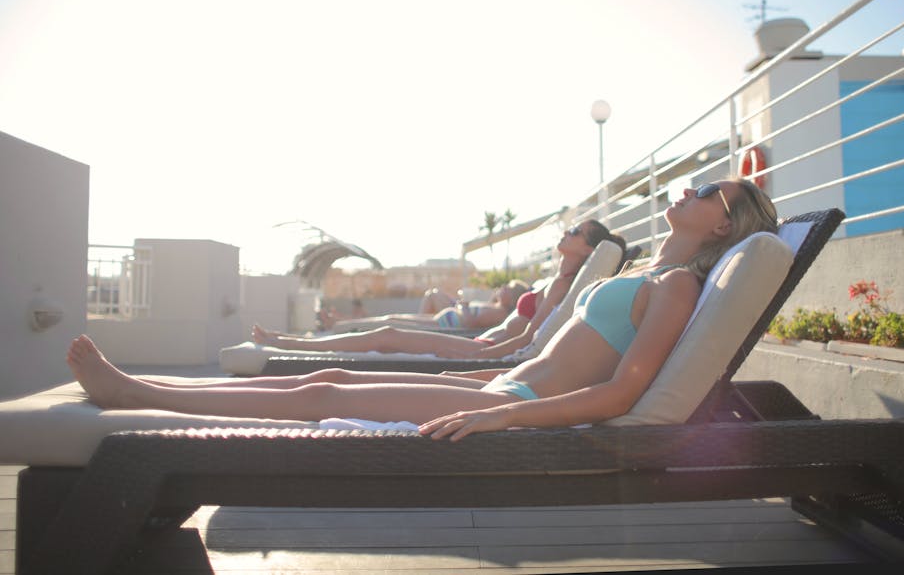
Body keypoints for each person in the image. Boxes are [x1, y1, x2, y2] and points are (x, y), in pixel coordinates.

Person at [64, 179, 777, 441]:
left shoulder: (679, 286)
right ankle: (153, 389)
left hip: (514, 397)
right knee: (327, 386)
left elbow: (624, 391)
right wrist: (494, 389)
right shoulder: (656, 268)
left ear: (723, 225)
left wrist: (503, 413)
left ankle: (138, 392)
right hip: (501, 382)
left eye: (708, 191)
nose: (687, 189)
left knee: (322, 391)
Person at [250, 219, 629, 360]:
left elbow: (530, 339)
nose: (568, 231)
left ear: (587, 249)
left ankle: (291, 345)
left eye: (576, 232)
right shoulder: (554, 281)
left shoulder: (563, 286)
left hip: (483, 347)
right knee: (388, 331)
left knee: (387, 334)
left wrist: (486, 354)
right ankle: (292, 343)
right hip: (481, 340)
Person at [327, 280, 531, 332]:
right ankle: (346, 322)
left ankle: (345, 324)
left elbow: (469, 323)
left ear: (512, 298)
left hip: (444, 325)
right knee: (393, 318)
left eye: (508, 288)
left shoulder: (499, 314)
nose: (503, 288)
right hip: (442, 319)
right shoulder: (494, 307)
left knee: (392, 321)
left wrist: (463, 306)